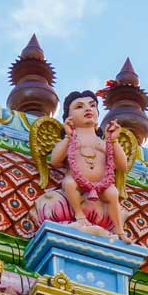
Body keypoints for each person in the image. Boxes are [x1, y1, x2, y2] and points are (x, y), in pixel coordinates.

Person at [50, 90, 129, 239]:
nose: (88, 109)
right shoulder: (72, 139)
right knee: (68, 183)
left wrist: (114, 140)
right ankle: (79, 215)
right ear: (69, 117)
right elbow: (54, 160)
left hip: (102, 185)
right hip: (77, 182)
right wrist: (67, 136)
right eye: (79, 107)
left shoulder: (103, 142)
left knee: (113, 193)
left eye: (92, 105)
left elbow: (122, 165)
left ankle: (119, 231)